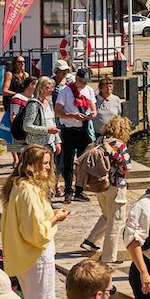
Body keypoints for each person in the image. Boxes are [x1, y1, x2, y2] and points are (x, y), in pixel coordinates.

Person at [1, 144, 68, 299]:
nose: (49, 167)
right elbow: (35, 232)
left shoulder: (19, 185)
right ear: (32, 165)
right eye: (45, 163)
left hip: (28, 255)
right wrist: (56, 217)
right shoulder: (28, 190)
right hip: (35, 255)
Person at [79, 115, 132, 263]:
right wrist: (115, 155)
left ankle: (90, 241)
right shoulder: (119, 144)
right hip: (116, 186)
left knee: (107, 216)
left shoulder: (99, 141)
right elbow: (127, 166)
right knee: (116, 222)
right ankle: (109, 257)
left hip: (101, 185)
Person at [55, 69, 96, 201]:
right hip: (69, 129)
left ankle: (79, 190)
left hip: (83, 129)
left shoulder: (89, 90)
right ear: (76, 78)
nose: (84, 84)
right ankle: (68, 190)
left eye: (86, 82)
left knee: (82, 162)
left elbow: (94, 109)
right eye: (82, 81)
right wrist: (72, 115)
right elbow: (57, 112)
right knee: (68, 161)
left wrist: (91, 115)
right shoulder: (65, 91)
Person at [19, 76, 60, 158]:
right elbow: (27, 126)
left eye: (52, 87)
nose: (51, 90)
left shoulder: (49, 102)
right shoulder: (33, 104)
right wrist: (47, 130)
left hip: (50, 144)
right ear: (40, 88)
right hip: (36, 147)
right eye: (48, 87)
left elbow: (52, 122)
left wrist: (57, 141)